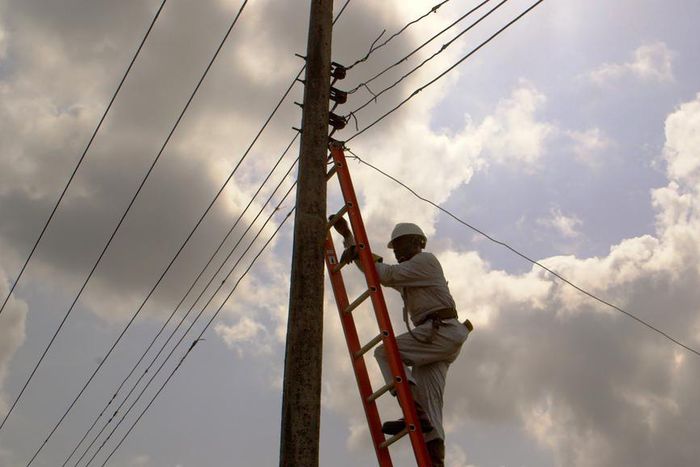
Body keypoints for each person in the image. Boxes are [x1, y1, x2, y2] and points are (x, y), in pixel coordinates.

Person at [332, 219, 472, 466]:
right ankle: (432, 457)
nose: (396, 251)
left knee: (385, 353)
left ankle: (412, 411)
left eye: (401, 244)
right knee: (431, 409)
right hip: (440, 337)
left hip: (440, 332)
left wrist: (354, 245)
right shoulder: (412, 275)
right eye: (394, 247)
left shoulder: (425, 261)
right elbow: (382, 273)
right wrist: (351, 242)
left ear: (418, 243)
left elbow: (385, 275)